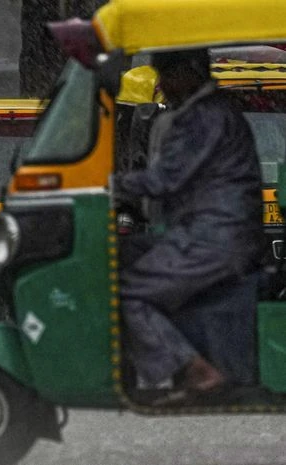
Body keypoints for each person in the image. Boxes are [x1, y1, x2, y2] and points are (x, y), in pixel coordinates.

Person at [114, 49, 264, 401]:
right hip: (212, 233)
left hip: (214, 238)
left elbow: (165, 179)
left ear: (188, 73)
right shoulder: (212, 111)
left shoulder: (204, 116)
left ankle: (195, 370)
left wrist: (105, 185)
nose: (162, 86)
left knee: (128, 292)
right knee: (119, 255)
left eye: (166, 75)